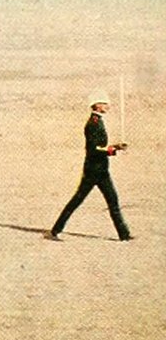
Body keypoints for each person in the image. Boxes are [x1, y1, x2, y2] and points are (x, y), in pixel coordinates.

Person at [46, 91, 132, 242]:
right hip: (93, 170)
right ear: (97, 105)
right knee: (77, 200)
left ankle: (124, 235)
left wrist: (115, 146)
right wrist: (113, 149)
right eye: (104, 103)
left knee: (112, 201)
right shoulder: (93, 124)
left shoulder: (98, 121)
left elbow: (100, 146)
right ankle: (55, 231)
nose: (107, 105)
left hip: (101, 170)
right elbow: (94, 149)